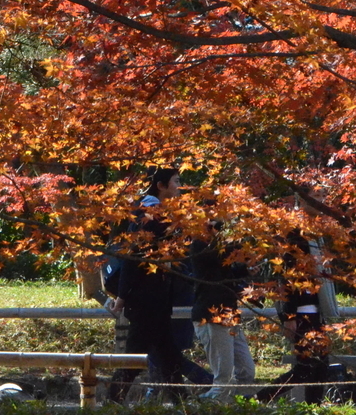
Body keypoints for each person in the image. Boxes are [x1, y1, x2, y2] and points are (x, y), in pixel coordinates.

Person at [106, 169, 186, 402]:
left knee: (168, 354)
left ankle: (181, 401)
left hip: (158, 298)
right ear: (161, 185)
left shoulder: (163, 215)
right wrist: (122, 297)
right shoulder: (148, 216)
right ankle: (113, 400)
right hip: (145, 300)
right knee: (135, 356)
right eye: (176, 181)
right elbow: (133, 260)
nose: (179, 185)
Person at [258, 233, 331, 404]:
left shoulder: (316, 238)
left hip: (316, 314)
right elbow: (284, 283)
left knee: (320, 365)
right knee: (305, 368)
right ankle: (261, 396)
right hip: (301, 316)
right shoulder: (294, 238)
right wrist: (289, 316)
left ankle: (315, 405)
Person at [190, 219, 256, 399]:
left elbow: (227, 272)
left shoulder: (222, 248)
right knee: (223, 380)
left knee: (246, 373)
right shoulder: (199, 244)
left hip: (230, 314)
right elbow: (218, 258)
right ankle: (204, 406)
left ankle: (241, 408)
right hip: (211, 315)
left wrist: (246, 269)